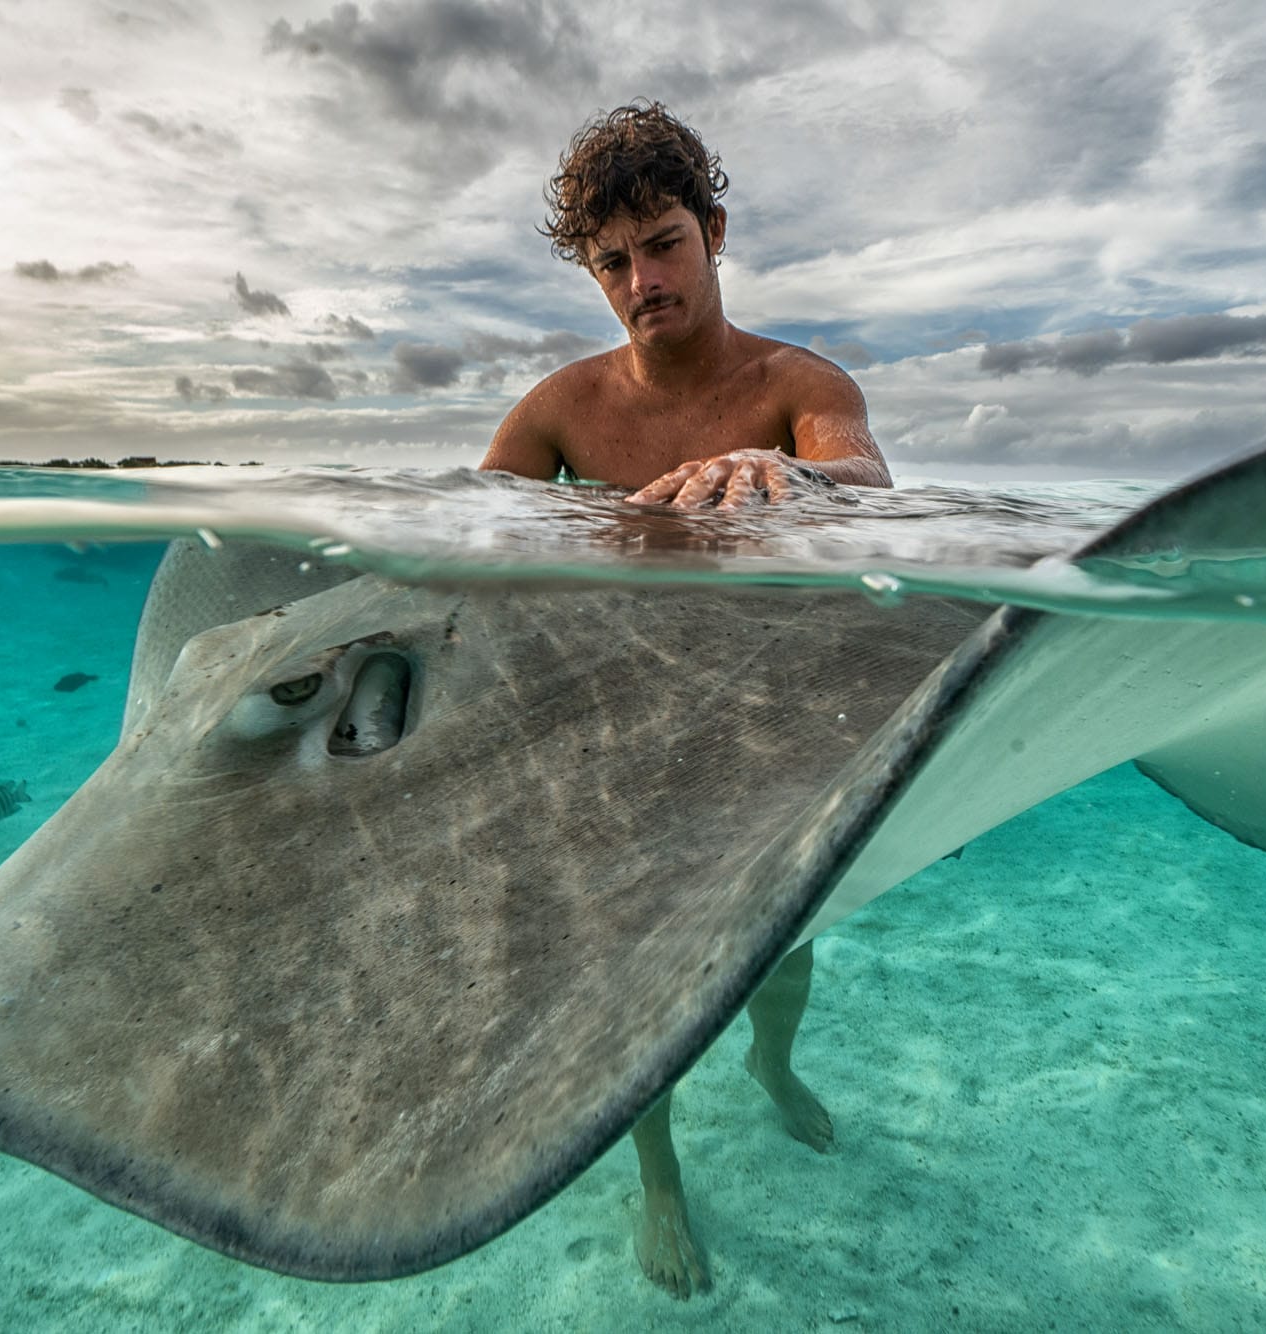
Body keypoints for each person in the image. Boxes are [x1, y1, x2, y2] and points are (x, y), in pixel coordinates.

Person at [478, 101, 891, 1298]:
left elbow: (868, 474)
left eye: (662, 243)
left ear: (712, 232)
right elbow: (464, 539)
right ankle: (658, 1176)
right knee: (633, 983)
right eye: (612, 261)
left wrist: (796, 476)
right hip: (618, 732)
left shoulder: (795, 381)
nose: (641, 278)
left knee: (781, 954)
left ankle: (769, 1064)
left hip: (767, 724)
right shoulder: (560, 408)